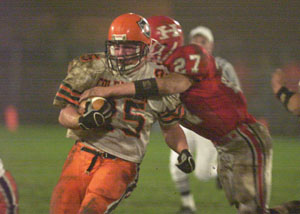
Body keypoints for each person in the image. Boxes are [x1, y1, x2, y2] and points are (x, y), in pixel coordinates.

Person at [80, 15, 300, 214]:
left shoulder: (189, 55)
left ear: (160, 43)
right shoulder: (157, 74)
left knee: (252, 212)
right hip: (224, 144)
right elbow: (165, 120)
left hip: (243, 138)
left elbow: (171, 85)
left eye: (146, 44)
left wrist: (109, 90)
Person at [50, 13, 195, 214]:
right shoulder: (94, 67)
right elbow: (64, 113)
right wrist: (83, 120)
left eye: (128, 47)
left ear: (146, 48)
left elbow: (170, 128)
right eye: (116, 46)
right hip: (83, 152)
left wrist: (183, 151)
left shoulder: (158, 78)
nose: (121, 53)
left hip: (122, 162)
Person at [169, 25, 242, 214]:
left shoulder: (222, 66)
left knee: (203, 173)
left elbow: (237, 96)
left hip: (208, 125)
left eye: (203, 41)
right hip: (185, 122)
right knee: (177, 163)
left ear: (211, 45)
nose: (199, 44)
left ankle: (224, 169)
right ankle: (188, 205)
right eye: (195, 40)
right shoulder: (179, 64)